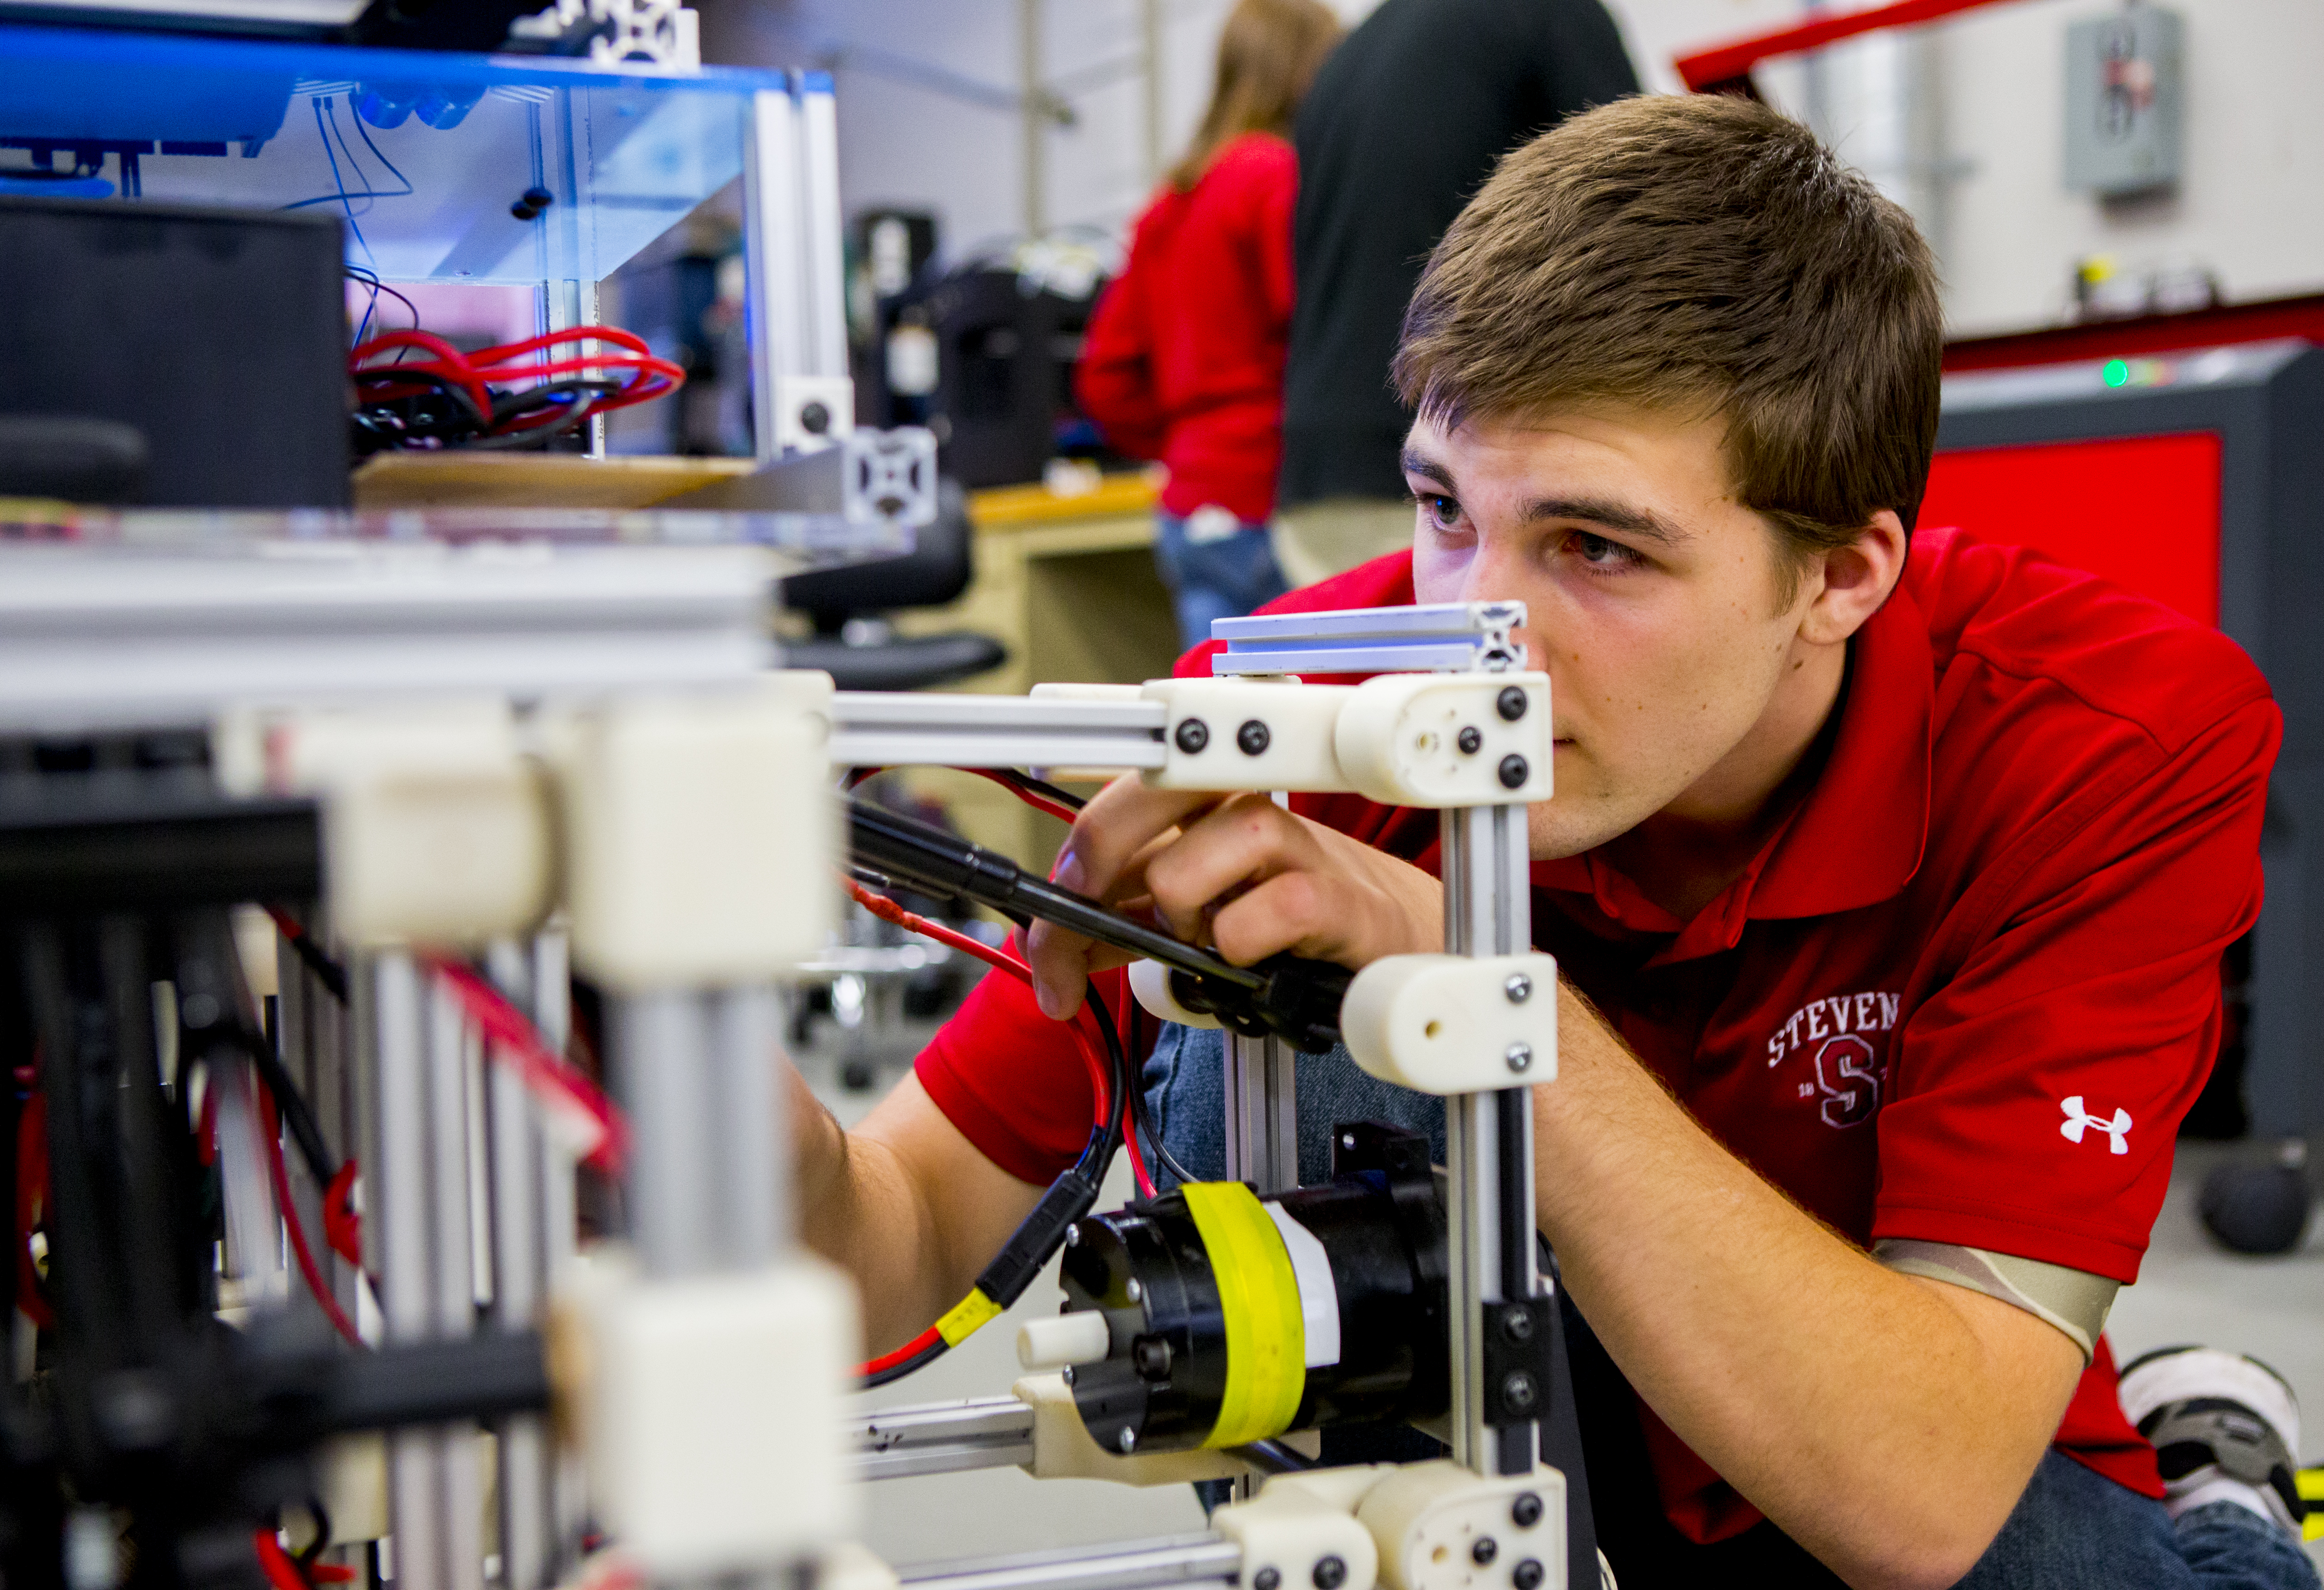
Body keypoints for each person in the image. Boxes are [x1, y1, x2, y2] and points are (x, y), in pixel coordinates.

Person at [794, 95, 2317, 1589]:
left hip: (1902, 1444)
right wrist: (678, 1059)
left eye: (1594, 545)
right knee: (1273, 1011)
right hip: (1528, 1472)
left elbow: (1913, 1501)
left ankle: (2214, 1475)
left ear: (1840, 576)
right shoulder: (1301, 708)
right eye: (1443, 508)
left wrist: (1471, 981)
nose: (1470, 637)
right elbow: (907, 1224)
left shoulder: (2110, 735)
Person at [1273, 0, 1639, 588]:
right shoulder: (1552, 16)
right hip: (1449, 480)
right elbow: (1644, 214)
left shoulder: (1344, 59)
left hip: (1319, 472)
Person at [1075, 0, 1340, 649]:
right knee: (1302, 728)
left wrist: (1189, 444)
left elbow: (1105, 376)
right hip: (1266, 490)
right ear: (1309, 72)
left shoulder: (1170, 199)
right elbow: (1316, 333)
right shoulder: (1275, 174)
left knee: (1219, 724)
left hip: (1191, 503)